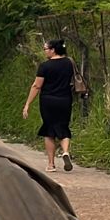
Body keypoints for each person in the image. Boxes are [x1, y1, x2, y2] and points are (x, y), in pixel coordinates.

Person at [22, 39, 77, 173]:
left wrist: (27, 104)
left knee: (49, 130)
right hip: (65, 99)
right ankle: (65, 152)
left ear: (53, 50)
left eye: (46, 49)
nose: (45, 51)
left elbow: (37, 86)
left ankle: (51, 164)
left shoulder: (45, 66)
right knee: (63, 126)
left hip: (48, 101)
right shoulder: (69, 63)